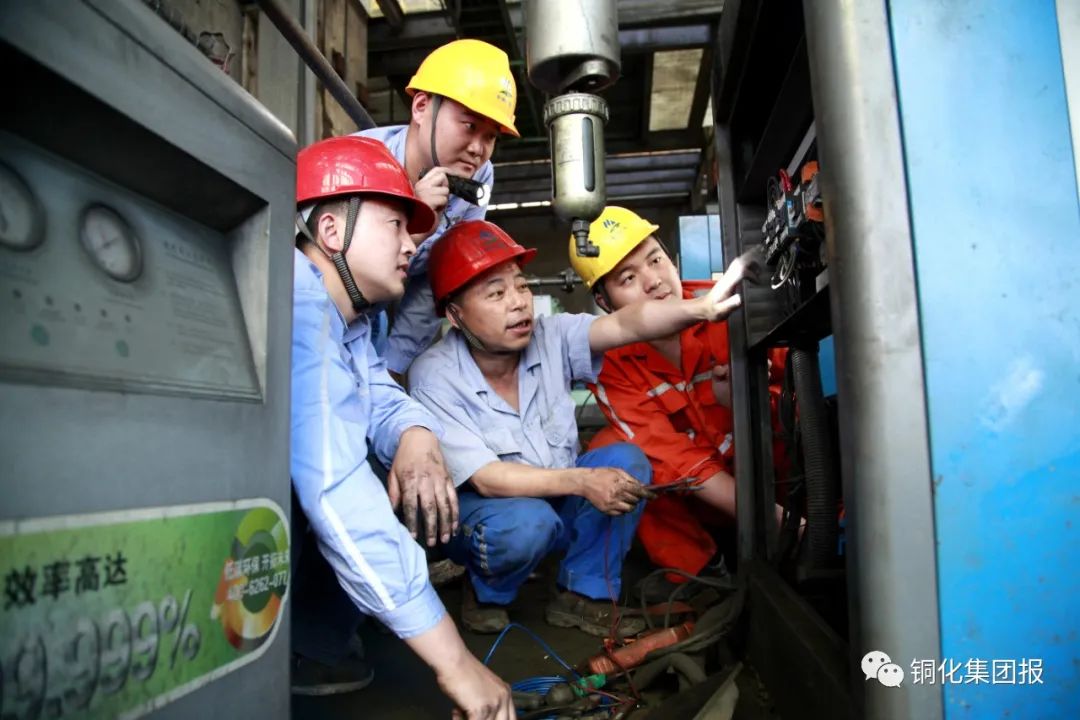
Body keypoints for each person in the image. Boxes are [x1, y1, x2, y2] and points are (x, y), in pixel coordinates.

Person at [408, 220, 753, 636]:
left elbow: (627, 325)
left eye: (521, 286)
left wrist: (701, 308)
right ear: (455, 314)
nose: (518, 303)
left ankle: (582, 594)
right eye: (496, 294)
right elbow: (487, 478)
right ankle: (486, 591)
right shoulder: (435, 375)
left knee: (625, 459)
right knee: (527, 523)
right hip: (490, 517)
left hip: (555, 503)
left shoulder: (551, 335)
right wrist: (584, 481)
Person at [289, 136, 512, 719]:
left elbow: (380, 393)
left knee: (398, 466)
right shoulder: (300, 308)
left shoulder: (350, 320)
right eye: (395, 225)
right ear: (332, 231)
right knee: (356, 489)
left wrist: (417, 435)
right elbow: (336, 490)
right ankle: (299, 649)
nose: (412, 244)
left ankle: (317, 641)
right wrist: (455, 663)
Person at [569, 207, 785, 601]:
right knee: (613, 453)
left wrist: (749, 396)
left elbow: (803, 385)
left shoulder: (732, 303)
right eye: (628, 278)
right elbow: (672, 457)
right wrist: (765, 516)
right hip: (705, 501)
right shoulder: (608, 363)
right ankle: (700, 576)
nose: (653, 281)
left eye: (655, 260)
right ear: (603, 300)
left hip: (777, 478)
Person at [355, 38, 520, 377]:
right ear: (420, 107)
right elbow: (337, 275)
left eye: (491, 137)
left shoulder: (479, 175)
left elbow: (439, 274)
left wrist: (393, 366)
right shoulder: (358, 164)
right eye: (470, 126)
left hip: (379, 322)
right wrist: (414, 226)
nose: (478, 149)